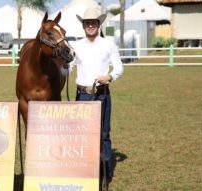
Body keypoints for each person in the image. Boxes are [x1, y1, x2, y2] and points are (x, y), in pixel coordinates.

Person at [69, 7, 124, 188]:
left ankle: (104, 175)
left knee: (103, 135)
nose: (90, 25)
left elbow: (119, 68)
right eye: (87, 23)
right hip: (82, 95)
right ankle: (84, 173)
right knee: (82, 136)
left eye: (93, 22)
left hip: (101, 94)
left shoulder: (108, 45)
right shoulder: (75, 46)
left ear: (99, 24)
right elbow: (68, 67)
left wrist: (109, 76)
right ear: (83, 26)